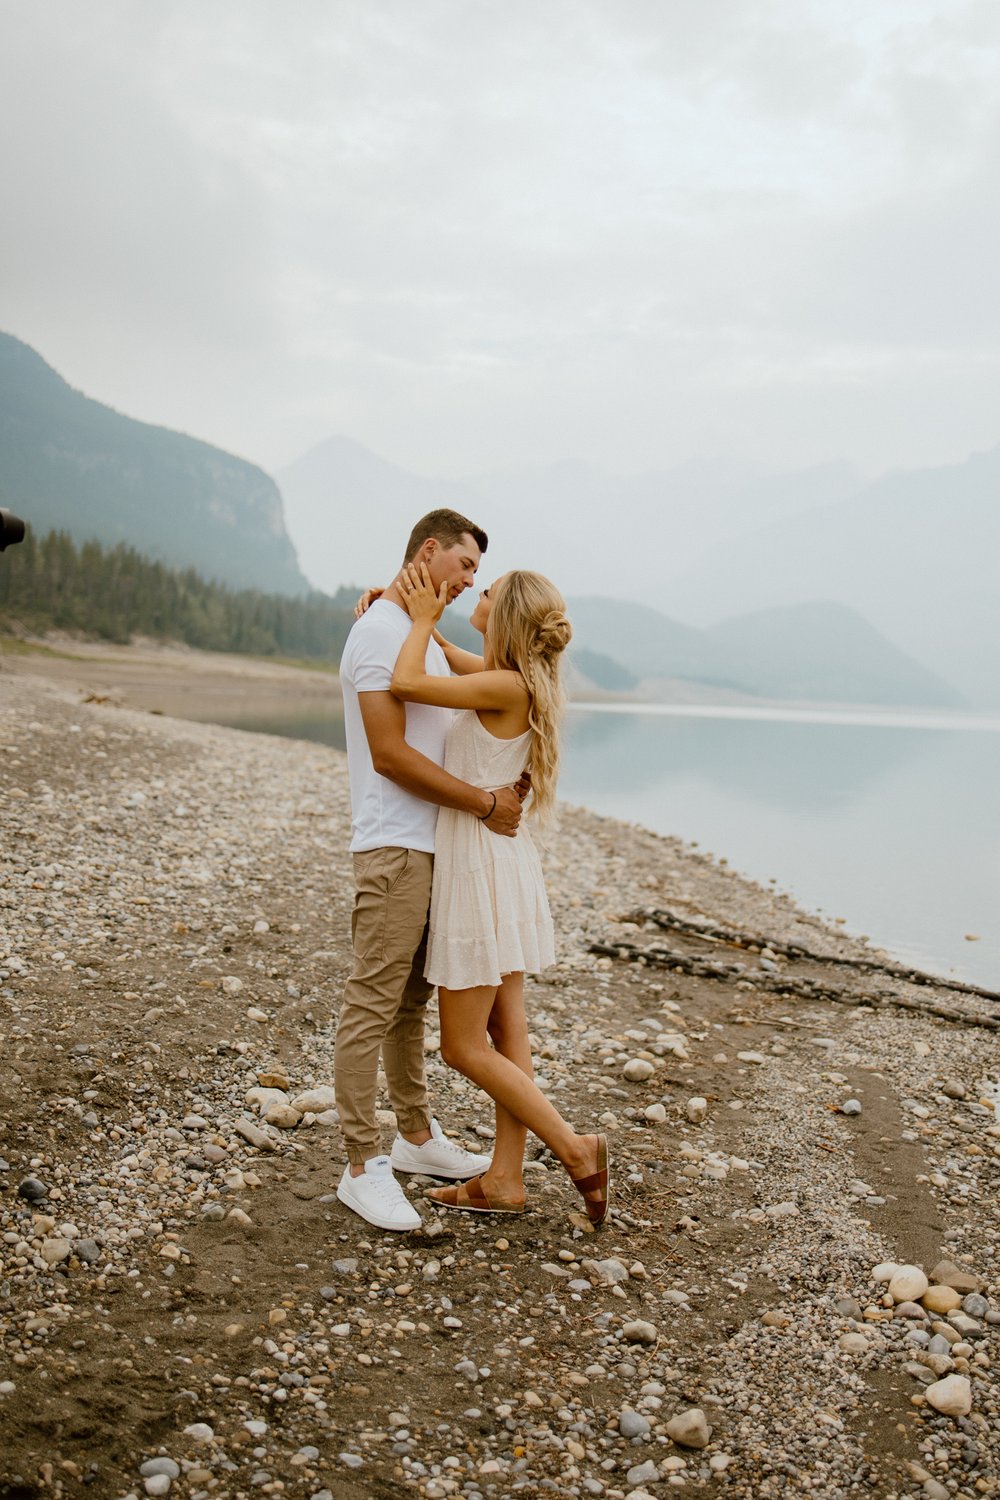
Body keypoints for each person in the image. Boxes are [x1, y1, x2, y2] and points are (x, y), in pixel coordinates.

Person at [389, 562, 610, 1226]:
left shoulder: (502, 685)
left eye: (484, 591)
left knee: (461, 1046)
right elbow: (452, 662)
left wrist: (422, 622)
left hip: (478, 867)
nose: (474, 595)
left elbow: (405, 681)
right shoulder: (511, 682)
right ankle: (505, 1179)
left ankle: (575, 1147)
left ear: (506, 612)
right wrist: (408, 615)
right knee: (506, 1029)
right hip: (503, 863)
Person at [335, 508, 526, 1232]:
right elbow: (390, 754)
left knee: (409, 1005)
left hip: (435, 848)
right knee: (372, 1004)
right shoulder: (380, 633)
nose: (471, 580)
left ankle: (415, 1139)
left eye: (478, 574)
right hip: (395, 847)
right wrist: (484, 804)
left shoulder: (412, 632)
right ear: (429, 552)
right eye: (466, 567)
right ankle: (360, 1165)